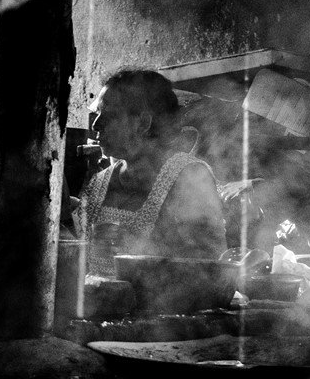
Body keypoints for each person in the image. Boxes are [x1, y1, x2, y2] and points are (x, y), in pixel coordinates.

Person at [74, 68, 226, 276]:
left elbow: (211, 268)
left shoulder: (188, 178)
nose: (96, 124)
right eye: (98, 113)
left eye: (109, 115)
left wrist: (145, 254)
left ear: (143, 123)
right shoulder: (98, 183)